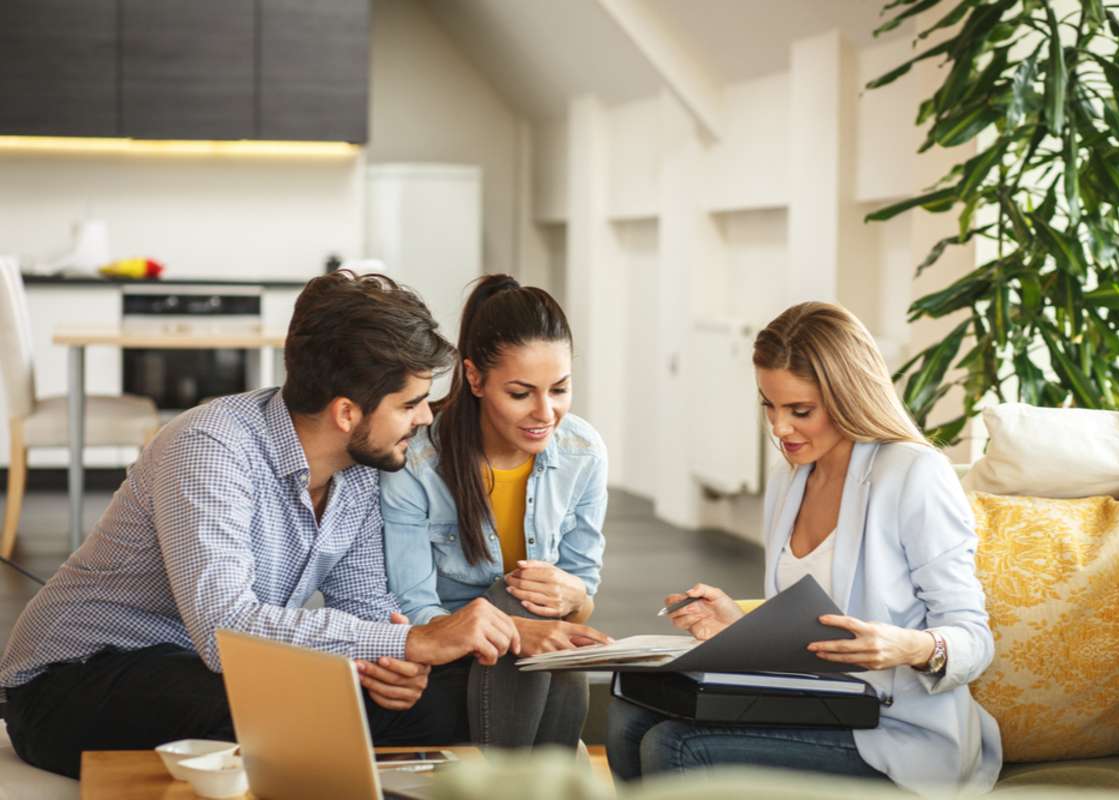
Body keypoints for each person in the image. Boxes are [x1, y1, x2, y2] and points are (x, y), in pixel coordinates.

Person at [0, 271, 522, 779]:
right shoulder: (210, 447)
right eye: (410, 404)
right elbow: (223, 628)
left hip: (209, 671)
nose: (426, 418)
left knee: (451, 703)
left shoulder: (363, 469)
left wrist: (393, 666)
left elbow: (364, 610)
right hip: (74, 678)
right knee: (282, 712)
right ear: (346, 413)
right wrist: (411, 644)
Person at [606, 302, 1002, 794]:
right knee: (628, 717)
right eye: (769, 405)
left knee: (676, 745)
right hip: (816, 707)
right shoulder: (789, 481)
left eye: (800, 411)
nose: (779, 428)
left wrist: (909, 647)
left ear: (849, 397)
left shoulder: (913, 475)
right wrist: (738, 622)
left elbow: (974, 639)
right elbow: (811, 626)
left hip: (898, 733)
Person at [381, 274, 610, 749]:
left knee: (546, 628)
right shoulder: (418, 464)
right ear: (474, 378)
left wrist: (572, 596)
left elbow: (581, 602)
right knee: (510, 599)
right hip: (450, 650)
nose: (545, 413)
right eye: (521, 393)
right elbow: (414, 608)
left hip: (535, 655)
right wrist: (515, 629)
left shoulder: (583, 452)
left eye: (560, 389)